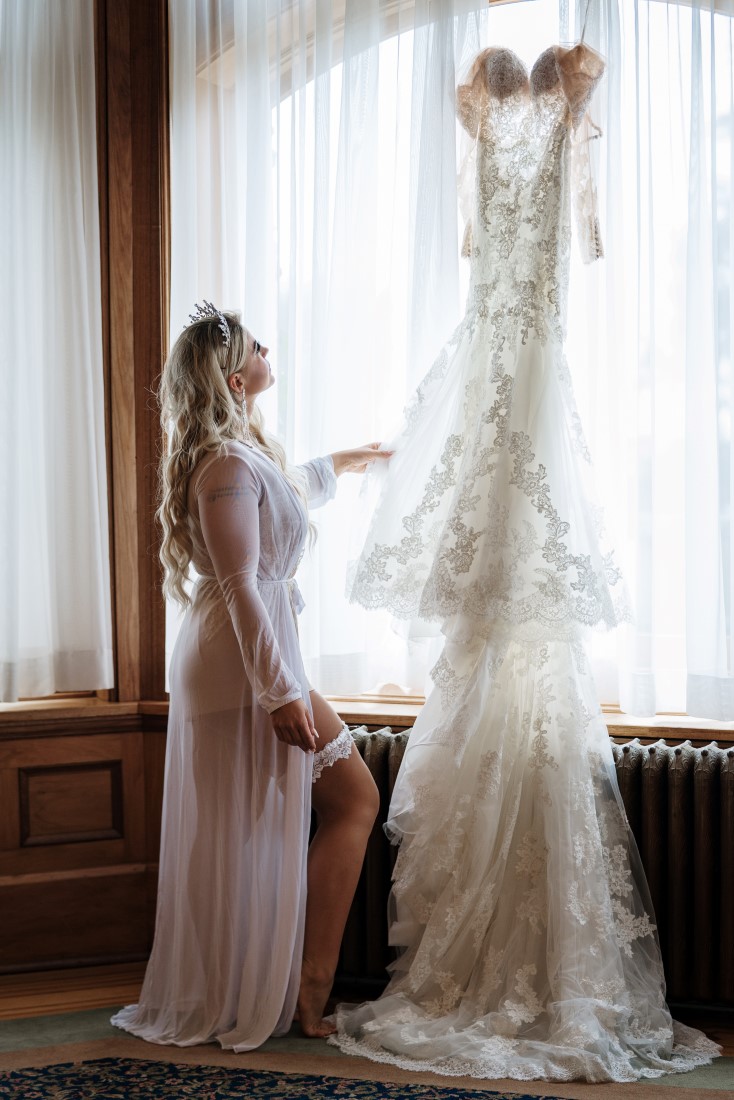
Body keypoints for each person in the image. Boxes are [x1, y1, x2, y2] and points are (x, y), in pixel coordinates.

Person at [331, 45, 721, 1081]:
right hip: (502, 356)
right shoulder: (541, 111)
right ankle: (495, 966)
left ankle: (537, 970)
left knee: (520, 623)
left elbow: (559, 239)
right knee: (492, 632)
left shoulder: (528, 112)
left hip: (523, 362)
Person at [112, 302, 389, 1048]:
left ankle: (280, 987)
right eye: (258, 346)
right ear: (236, 377)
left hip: (252, 653)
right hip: (241, 661)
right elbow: (240, 582)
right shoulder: (225, 463)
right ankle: (294, 991)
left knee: (272, 820)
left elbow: (284, 495)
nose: (272, 349)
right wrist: (280, 693)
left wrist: (348, 461)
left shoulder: (239, 454)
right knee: (347, 799)